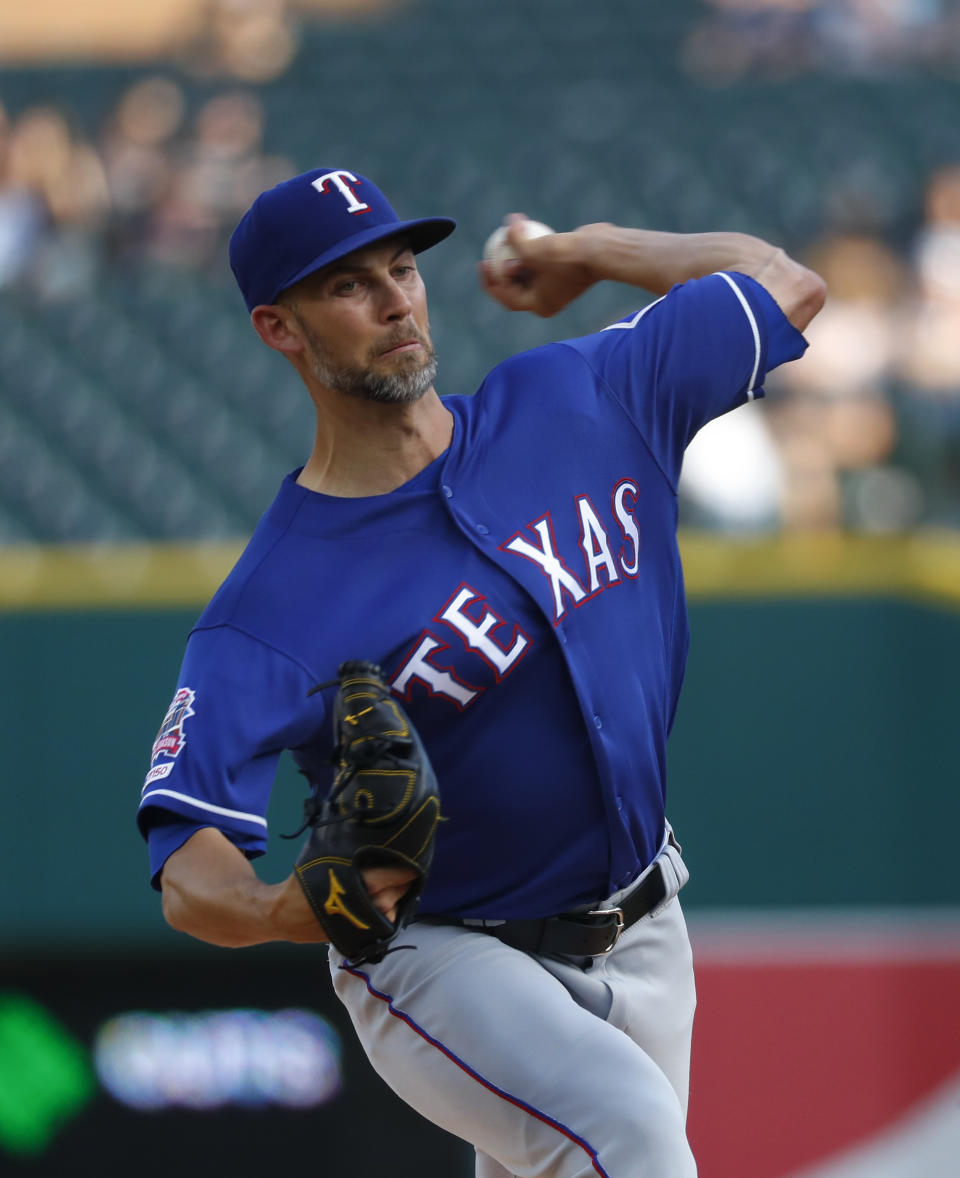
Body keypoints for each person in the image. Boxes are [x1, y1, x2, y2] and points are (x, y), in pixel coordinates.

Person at [138, 166, 825, 1178]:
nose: (393, 300)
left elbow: (781, 282)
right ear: (280, 329)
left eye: (403, 266)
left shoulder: (580, 394)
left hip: (645, 917)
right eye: (346, 285)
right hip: (442, 954)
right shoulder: (272, 605)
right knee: (629, 1134)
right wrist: (295, 905)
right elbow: (190, 870)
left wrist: (587, 250)